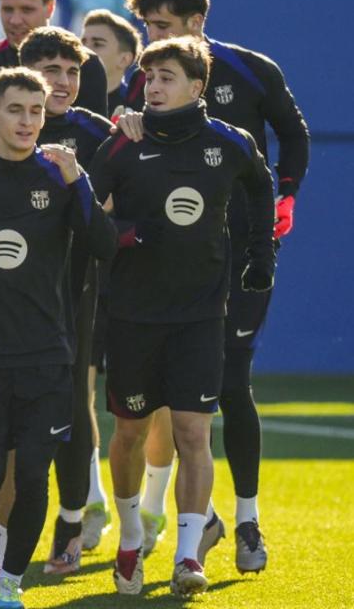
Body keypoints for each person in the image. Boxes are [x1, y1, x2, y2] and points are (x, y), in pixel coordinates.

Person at [115, 0, 309, 574]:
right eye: (144, 28)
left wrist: (284, 198)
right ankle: (171, 518)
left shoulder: (252, 70)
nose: (150, 41)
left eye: (163, 26)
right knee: (166, 399)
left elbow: (294, 135)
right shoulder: (143, 85)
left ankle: (247, 519)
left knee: (232, 382)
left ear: (198, 22)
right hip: (168, 264)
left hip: (241, 258)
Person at [0, 67, 116, 609]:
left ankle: (9, 578)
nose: (28, 121)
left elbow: (104, 245)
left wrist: (80, 181)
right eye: (16, 110)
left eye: (36, 111)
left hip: (48, 355)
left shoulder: (60, 177)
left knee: (33, 477)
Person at [90, 36, 275, 598]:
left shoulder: (230, 142)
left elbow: (261, 185)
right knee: (129, 435)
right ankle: (128, 534)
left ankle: (189, 555)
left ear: (197, 88)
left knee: (195, 432)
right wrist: (123, 235)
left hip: (199, 315)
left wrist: (261, 253)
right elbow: (86, 218)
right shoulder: (122, 144)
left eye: (167, 76)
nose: (155, 86)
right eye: (150, 77)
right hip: (131, 316)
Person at [80, 9, 140, 115]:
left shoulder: (135, 110)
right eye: (82, 43)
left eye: (97, 44)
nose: (85, 50)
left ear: (124, 59)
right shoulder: (63, 100)